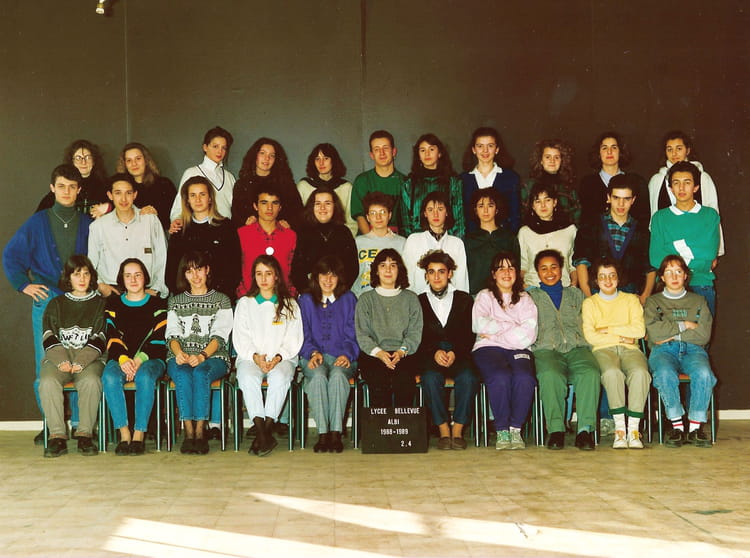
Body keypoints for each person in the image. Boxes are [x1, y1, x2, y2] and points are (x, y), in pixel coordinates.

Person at [3, 164, 92, 443]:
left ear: (79, 190)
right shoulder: (38, 222)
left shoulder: (88, 224)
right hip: (47, 299)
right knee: (46, 362)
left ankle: (79, 424)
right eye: (61, 186)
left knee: (81, 359)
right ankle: (51, 423)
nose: (66, 191)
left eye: (72, 187)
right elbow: (11, 255)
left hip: (81, 300)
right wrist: (23, 284)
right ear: (52, 188)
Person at [528, 249, 600, 450]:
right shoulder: (530, 297)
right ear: (537, 272)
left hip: (577, 347)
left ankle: (584, 430)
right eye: (543, 269)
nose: (549, 273)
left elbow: (590, 321)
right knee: (550, 375)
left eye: (554, 267)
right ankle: (556, 430)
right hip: (546, 349)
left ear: (561, 270)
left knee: (590, 373)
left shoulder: (576, 294)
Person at [233, 255, 303, 456]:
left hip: (282, 358)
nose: (263, 279)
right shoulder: (245, 303)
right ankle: (263, 433)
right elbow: (241, 336)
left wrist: (278, 358)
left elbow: (294, 338)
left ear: (276, 277)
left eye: (268, 274)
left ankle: (265, 430)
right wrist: (255, 357)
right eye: (259, 274)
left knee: (280, 377)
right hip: (251, 358)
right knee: (247, 377)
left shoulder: (289, 303)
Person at [38, 255, 106, 457]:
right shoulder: (56, 304)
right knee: (47, 382)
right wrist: (62, 361)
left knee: (91, 382)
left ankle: (85, 434)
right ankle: (57, 436)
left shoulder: (100, 303)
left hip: (90, 359)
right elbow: (48, 335)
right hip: (60, 358)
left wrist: (81, 361)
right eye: (77, 274)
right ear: (68, 278)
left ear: (92, 276)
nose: (82, 279)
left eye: (86, 274)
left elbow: (101, 337)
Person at [165, 251, 233, 455]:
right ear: (184, 275)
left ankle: (201, 432)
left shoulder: (222, 300)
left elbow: (220, 336)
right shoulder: (175, 301)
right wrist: (179, 353)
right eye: (189, 271)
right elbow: (172, 334)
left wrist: (202, 356)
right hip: (181, 355)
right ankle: (189, 433)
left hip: (214, 357)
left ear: (207, 270)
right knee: (183, 373)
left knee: (201, 373)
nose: (195, 276)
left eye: (199, 269)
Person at [645, 255, 715, 448]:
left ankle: (694, 428)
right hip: (663, 351)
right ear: (662, 277)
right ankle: (677, 426)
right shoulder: (652, 302)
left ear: (685, 275)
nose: (674, 276)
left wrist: (670, 334)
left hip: (694, 350)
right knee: (664, 373)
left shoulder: (699, 301)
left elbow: (703, 335)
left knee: (704, 373)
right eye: (669, 272)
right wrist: (685, 324)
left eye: (678, 271)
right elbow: (654, 334)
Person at [472, 251, 537, 450]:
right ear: (493, 274)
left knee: (525, 378)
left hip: (518, 347)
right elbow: (479, 324)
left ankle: (515, 428)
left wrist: (496, 332)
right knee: (500, 376)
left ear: (517, 272)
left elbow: (529, 333)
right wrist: (512, 326)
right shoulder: (484, 296)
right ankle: (502, 429)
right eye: (501, 268)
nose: (506, 272)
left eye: (511, 268)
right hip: (487, 348)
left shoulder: (525, 299)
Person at [582, 259, 650, 449]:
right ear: (596, 280)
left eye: (612, 275)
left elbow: (639, 331)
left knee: (641, 374)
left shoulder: (631, 300)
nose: (608, 280)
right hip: (603, 350)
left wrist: (608, 329)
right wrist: (622, 337)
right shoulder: (590, 303)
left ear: (618, 278)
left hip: (631, 350)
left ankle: (633, 430)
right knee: (612, 373)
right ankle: (620, 430)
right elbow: (591, 336)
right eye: (602, 276)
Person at [102, 258, 167, 456]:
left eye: (137, 275)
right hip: (121, 359)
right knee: (110, 376)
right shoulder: (112, 304)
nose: (133, 279)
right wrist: (123, 359)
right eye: (128, 275)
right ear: (121, 279)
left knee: (145, 376)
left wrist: (139, 360)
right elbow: (111, 335)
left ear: (145, 277)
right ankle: (124, 435)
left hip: (151, 360)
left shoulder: (158, 304)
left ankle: (139, 434)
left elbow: (160, 337)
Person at [415, 251, 477, 450]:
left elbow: (470, 333)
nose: (436, 277)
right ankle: (443, 430)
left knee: (468, 377)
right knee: (430, 378)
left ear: (450, 273)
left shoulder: (464, 299)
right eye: (431, 272)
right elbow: (416, 335)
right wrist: (433, 352)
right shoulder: (418, 301)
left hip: (459, 354)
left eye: (441, 271)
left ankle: (457, 430)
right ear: (426, 275)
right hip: (431, 355)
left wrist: (455, 352)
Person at [298, 256, 359, 453]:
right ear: (316, 277)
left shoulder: (349, 299)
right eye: (324, 275)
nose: (328, 280)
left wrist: (347, 354)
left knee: (339, 376)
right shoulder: (305, 300)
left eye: (333, 275)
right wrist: (312, 352)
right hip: (312, 355)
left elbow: (354, 333)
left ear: (339, 278)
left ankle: (335, 433)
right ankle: (322, 433)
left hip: (343, 356)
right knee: (317, 377)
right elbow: (302, 333)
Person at [649, 161, 720, 316]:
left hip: (701, 284)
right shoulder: (660, 217)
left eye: (687, 183)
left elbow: (708, 256)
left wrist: (673, 247)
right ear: (670, 188)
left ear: (696, 187)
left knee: (700, 331)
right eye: (676, 183)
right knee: (667, 331)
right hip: (667, 287)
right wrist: (693, 255)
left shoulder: (710, 215)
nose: (681, 188)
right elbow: (656, 258)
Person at [355, 249, 423, 407]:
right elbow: (362, 333)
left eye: (393, 265)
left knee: (404, 380)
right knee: (378, 380)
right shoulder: (365, 299)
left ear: (399, 270)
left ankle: (402, 423)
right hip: (374, 354)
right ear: (376, 271)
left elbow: (415, 332)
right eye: (383, 265)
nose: (388, 270)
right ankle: (381, 423)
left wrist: (401, 351)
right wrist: (379, 353)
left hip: (404, 353)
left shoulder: (411, 298)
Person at [574, 174, 655, 305]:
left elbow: (650, 268)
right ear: (608, 197)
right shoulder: (591, 226)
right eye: (616, 198)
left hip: (630, 296)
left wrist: (644, 296)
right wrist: (589, 298)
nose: (621, 204)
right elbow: (581, 263)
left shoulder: (642, 231)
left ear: (633, 200)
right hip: (597, 293)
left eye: (626, 199)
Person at [88, 173, 168, 298]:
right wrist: (100, 286)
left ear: (135, 195)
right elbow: (91, 262)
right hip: (112, 292)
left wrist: (156, 289)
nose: (123, 199)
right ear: (110, 195)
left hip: (146, 292)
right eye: (118, 193)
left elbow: (162, 258)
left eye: (128, 193)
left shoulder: (150, 221)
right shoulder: (98, 226)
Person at [166, 176, 240, 300]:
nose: (198, 199)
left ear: (210, 198)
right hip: (187, 300)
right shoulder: (179, 230)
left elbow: (234, 269)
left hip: (219, 299)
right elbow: (171, 272)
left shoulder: (226, 227)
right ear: (187, 200)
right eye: (193, 195)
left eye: (202, 194)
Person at [290, 188, 358, 294]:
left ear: (335, 206)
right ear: (312, 207)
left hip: (339, 294)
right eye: (318, 203)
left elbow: (352, 269)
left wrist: (337, 293)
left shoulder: (344, 232)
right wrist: (311, 294)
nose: (322, 208)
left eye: (327, 203)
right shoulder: (303, 233)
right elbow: (296, 272)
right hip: (310, 294)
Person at [647, 130, 721, 225]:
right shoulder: (657, 180)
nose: (674, 154)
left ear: (688, 150)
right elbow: (653, 216)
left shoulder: (702, 178)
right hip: (668, 232)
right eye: (669, 149)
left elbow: (713, 214)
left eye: (679, 149)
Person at [402, 191, 469, 295]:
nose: (435, 214)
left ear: (447, 212)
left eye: (440, 209)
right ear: (425, 213)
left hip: (450, 301)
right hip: (419, 300)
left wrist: (463, 301)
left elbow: (461, 281)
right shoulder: (413, 240)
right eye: (430, 210)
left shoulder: (457, 243)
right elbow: (406, 277)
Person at [169, 126, 236, 231]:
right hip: (199, 230)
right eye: (215, 146)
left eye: (224, 148)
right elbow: (179, 206)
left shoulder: (229, 177)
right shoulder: (191, 173)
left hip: (226, 231)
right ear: (205, 147)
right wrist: (176, 220)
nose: (220, 151)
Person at [231, 137, 303, 230]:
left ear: (276, 159)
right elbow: (236, 216)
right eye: (262, 153)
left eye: (272, 155)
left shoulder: (286, 184)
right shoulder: (242, 185)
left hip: (280, 234)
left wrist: (289, 223)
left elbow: (298, 212)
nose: (267, 158)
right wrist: (245, 221)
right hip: (251, 234)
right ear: (255, 155)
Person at [579, 131, 648, 227]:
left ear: (620, 152)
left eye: (614, 147)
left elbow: (643, 218)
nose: (609, 152)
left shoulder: (637, 182)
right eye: (604, 148)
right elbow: (585, 219)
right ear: (598, 153)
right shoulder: (587, 184)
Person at [236, 187, 297, 297]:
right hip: (249, 297)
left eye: (274, 203)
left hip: (282, 298)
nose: (269, 208)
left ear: (280, 207)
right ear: (255, 206)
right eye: (264, 203)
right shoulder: (242, 234)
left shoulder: (290, 235)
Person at [401, 133, 465, 237]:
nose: (427, 154)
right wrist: (412, 241)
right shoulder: (409, 184)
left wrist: (453, 242)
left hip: (446, 239)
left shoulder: (453, 182)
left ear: (439, 153)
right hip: (418, 239)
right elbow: (406, 221)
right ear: (418, 155)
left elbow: (459, 219)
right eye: (422, 150)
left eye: (431, 149)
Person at [460, 127, 521, 232]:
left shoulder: (511, 178)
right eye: (480, 146)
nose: (485, 150)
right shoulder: (463, 179)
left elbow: (515, 214)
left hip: (503, 237)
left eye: (490, 146)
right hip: (471, 238)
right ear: (473, 149)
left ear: (497, 149)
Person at [518, 182, 577, 288]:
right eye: (538, 201)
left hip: (563, 288)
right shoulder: (525, 232)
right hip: (532, 288)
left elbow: (573, 265)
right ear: (533, 206)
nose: (543, 205)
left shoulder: (570, 230)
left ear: (555, 202)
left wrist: (573, 285)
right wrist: (524, 287)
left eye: (547, 200)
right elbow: (522, 266)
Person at [464, 188, 519, 295]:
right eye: (481, 206)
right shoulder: (468, 240)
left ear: (497, 209)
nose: (485, 210)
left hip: (504, 294)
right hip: (475, 295)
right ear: (475, 210)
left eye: (490, 206)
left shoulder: (509, 238)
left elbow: (516, 268)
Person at [351, 130, 406, 234]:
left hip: (396, 237)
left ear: (394, 152)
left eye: (385, 148)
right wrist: (372, 239)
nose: (382, 153)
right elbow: (360, 216)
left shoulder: (405, 182)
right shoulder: (362, 181)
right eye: (377, 149)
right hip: (368, 236)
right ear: (372, 155)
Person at [353, 191, 406, 297]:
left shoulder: (401, 243)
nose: (378, 217)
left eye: (382, 212)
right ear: (367, 217)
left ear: (389, 215)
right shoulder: (357, 242)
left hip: (391, 297)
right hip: (361, 297)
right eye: (373, 213)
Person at [37, 139, 109, 217]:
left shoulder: (104, 185)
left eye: (88, 157)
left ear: (94, 161)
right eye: (78, 158)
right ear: (72, 161)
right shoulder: (63, 185)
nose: (83, 162)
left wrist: (108, 207)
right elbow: (40, 214)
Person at [297, 143, 358, 235]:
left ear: (333, 160)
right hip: (309, 236)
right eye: (317, 159)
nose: (321, 163)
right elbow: (298, 219)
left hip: (339, 237)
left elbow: (351, 222)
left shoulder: (346, 187)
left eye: (326, 158)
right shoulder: (303, 186)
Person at [115, 142, 177, 230]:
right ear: (124, 164)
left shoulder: (164, 184)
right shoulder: (119, 186)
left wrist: (155, 213)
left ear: (146, 160)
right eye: (129, 160)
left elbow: (173, 217)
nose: (134, 164)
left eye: (138, 159)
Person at [522, 138, 580, 225]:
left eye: (556, 157)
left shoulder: (568, 188)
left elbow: (577, 216)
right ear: (541, 160)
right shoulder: (528, 186)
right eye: (547, 157)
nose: (552, 161)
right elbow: (523, 214)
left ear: (562, 161)